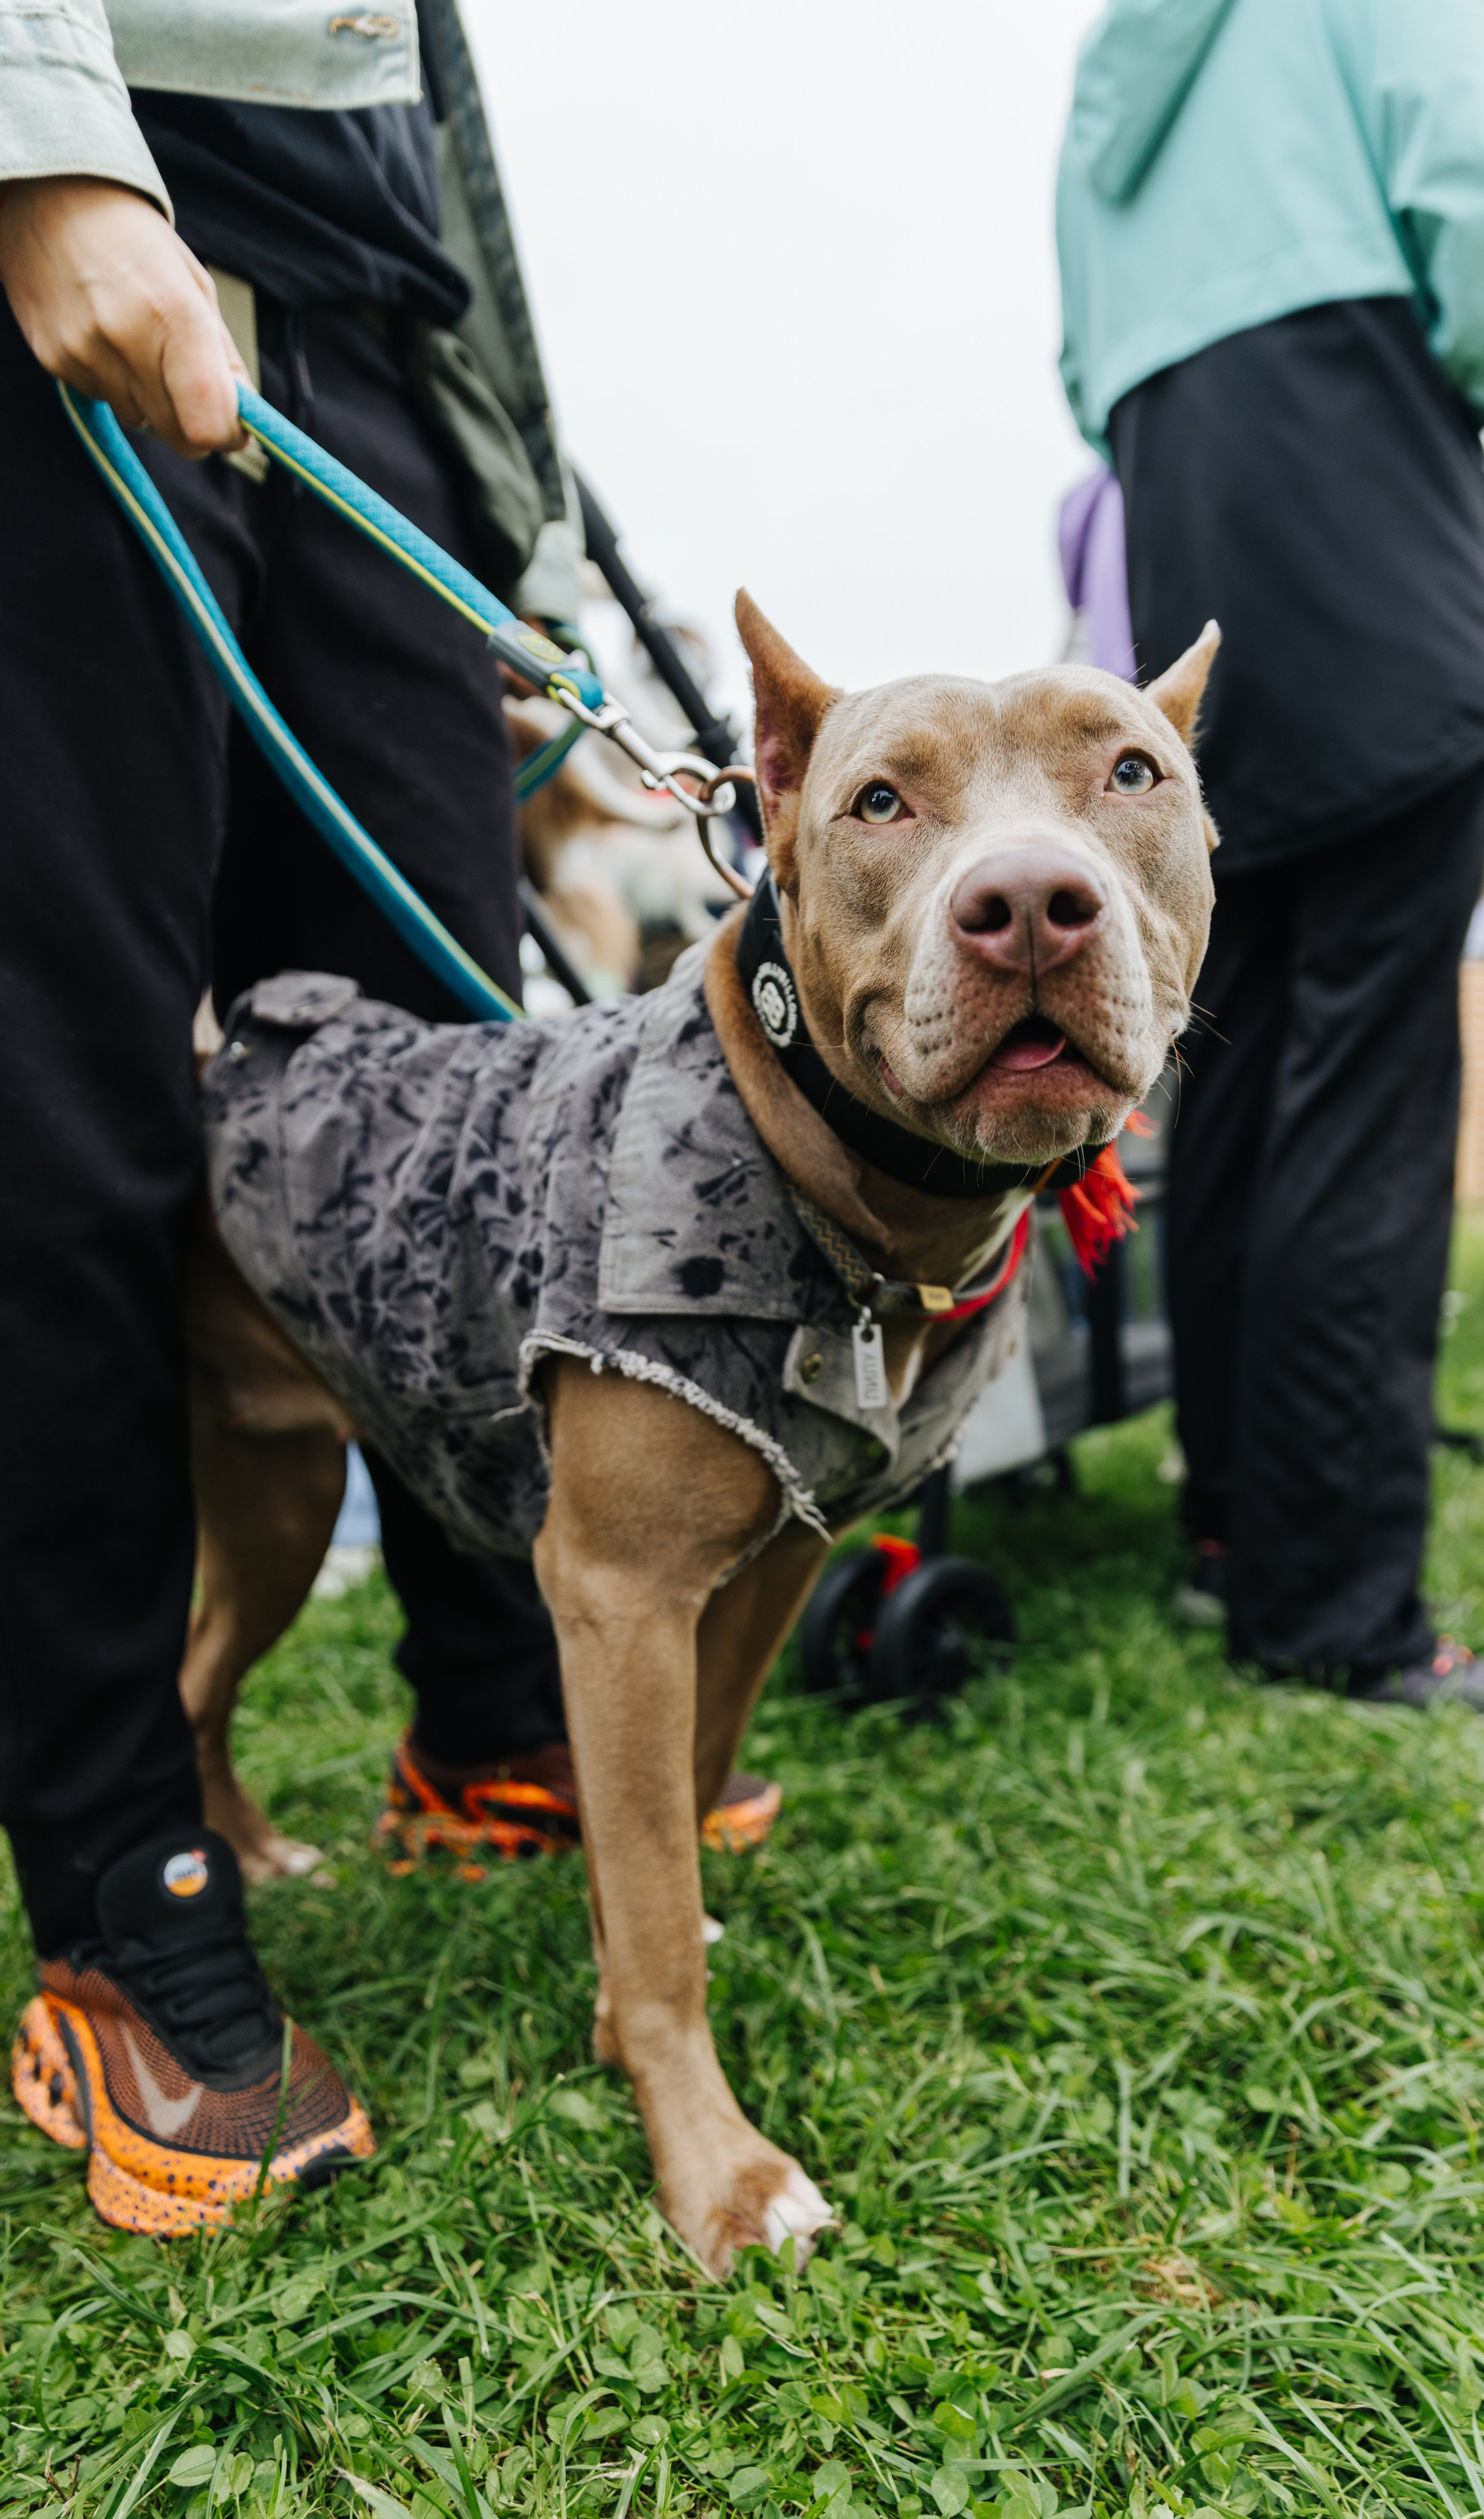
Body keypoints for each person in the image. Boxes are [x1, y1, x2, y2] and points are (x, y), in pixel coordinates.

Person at [0, 0, 767, 2236]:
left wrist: (506, 513)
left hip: (369, 328)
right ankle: (121, 1885)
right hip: (102, 208)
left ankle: (489, 1715)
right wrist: (39, 127)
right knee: (89, 1127)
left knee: (461, 1092)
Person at [1056, 0, 1484, 1706]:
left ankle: (1238, 1533)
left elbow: (1084, 363)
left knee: (1233, 1066)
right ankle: (1339, 1608)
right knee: (1370, 1093)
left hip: (1194, 507)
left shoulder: (1125, 54)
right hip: (1367, 500)